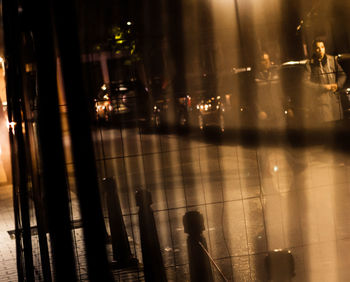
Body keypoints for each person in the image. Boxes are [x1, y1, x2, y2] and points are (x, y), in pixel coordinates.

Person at [304, 39, 347, 124]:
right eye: (317, 48)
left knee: (339, 129)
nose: (320, 50)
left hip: (335, 103)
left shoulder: (332, 60)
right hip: (322, 105)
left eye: (322, 47)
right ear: (313, 50)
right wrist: (322, 87)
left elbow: (342, 75)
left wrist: (337, 85)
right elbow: (305, 83)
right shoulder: (309, 64)